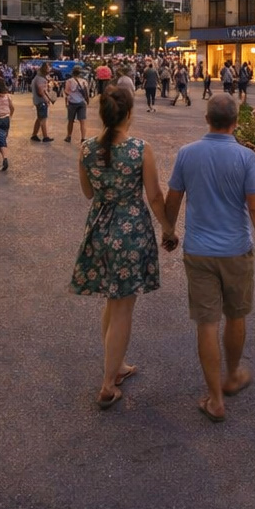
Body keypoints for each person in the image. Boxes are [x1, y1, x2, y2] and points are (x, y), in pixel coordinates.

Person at [163, 95, 255, 423]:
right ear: (235, 122)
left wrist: (169, 231)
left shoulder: (187, 153)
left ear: (206, 119)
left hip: (199, 249)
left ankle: (214, 399)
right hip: (235, 250)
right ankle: (232, 375)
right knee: (236, 316)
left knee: (207, 322)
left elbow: (173, 198)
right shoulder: (245, 157)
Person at [71, 86, 167, 409]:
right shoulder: (140, 149)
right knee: (123, 307)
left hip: (99, 228)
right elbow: (155, 196)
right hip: (130, 232)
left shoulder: (86, 148)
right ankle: (108, 384)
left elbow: (88, 193)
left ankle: (117, 365)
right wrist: (168, 228)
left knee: (113, 303)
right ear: (128, 114)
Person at [65, 68, 92, 143]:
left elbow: (66, 92)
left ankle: (69, 136)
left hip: (72, 102)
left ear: (72, 73)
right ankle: (83, 138)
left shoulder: (69, 81)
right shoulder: (84, 81)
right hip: (82, 103)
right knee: (82, 122)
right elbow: (87, 92)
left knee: (70, 121)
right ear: (80, 74)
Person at [31, 64, 53, 141]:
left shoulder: (37, 78)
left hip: (38, 101)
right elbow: (41, 91)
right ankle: (45, 137)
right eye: (49, 68)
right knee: (43, 119)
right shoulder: (40, 79)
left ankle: (34, 135)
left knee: (39, 118)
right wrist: (46, 99)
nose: (50, 69)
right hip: (41, 102)